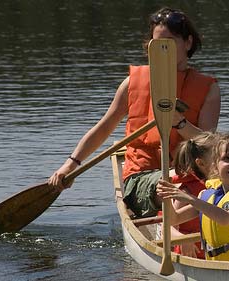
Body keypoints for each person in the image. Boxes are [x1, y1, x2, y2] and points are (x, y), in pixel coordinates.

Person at [47, 7, 220, 218]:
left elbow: (209, 146)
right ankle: (180, 236)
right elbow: (103, 128)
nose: (164, 49)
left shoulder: (208, 89)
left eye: (171, 41)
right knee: (177, 191)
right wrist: (69, 166)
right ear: (149, 46)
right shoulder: (131, 83)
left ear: (188, 43)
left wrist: (179, 123)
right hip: (141, 176)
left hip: (191, 174)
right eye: (157, 43)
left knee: (209, 186)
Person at [157, 132, 229, 262]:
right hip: (216, 267)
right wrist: (166, 196)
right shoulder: (206, 197)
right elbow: (173, 219)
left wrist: (189, 198)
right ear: (215, 166)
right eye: (227, 158)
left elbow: (225, 218)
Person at [164, 131, 220, 259]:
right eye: (221, 158)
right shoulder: (188, 191)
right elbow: (167, 227)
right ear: (201, 163)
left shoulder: (226, 186)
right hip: (192, 250)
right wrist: (183, 239)